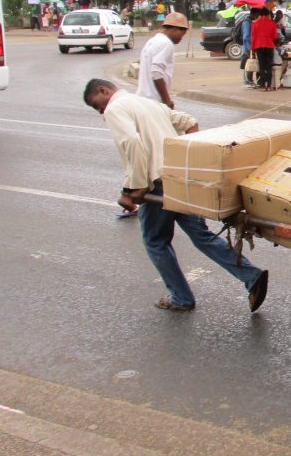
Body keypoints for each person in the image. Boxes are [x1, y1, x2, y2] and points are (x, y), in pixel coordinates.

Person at [82, 79, 268, 313]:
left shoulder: (115, 108)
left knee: (155, 242)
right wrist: (187, 163)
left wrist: (135, 189)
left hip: (156, 183)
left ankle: (181, 297)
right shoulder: (147, 103)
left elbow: (132, 144)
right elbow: (189, 123)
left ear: (103, 90)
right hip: (179, 179)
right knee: (202, 236)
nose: (99, 110)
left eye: (96, 104)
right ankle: (251, 275)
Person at [136, 11, 189, 108]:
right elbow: (156, 73)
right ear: (175, 29)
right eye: (182, 34)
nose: (182, 38)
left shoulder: (152, 41)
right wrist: (167, 100)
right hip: (154, 102)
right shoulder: (166, 44)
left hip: (142, 99)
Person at [251, 0, 280, 91]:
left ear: (259, 14)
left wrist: (252, 49)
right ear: (268, 14)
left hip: (258, 47)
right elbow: (275, 37)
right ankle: (269, 85)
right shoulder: (272, 24)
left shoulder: (255, 24)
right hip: (269, 47)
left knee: (262, 66)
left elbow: (253, 38)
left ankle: (263, 86)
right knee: (269, 66)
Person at [238, 10, 259, 87]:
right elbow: (246, 36)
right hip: (247, 47)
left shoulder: (250, 22)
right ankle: (247, 81)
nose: (257, 17)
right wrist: (250, 47)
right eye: (256, 15)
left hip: (249, 47)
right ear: (253, 14)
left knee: (251, 63)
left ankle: (249, 80)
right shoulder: (247, 23)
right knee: (248, 64)